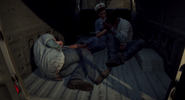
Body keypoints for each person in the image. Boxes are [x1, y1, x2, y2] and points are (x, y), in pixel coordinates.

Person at [33, 33, 111, 91]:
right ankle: (97, 76)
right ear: (56, 39)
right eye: (60, 43)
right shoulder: (46, 36)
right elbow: (51, 43)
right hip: (54, 61)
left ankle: (75, 79)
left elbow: (70, 47)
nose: (61, 46)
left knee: (84, 62)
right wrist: (61, 47)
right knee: (85, 52)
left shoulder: (42, 50)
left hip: (54, 73)